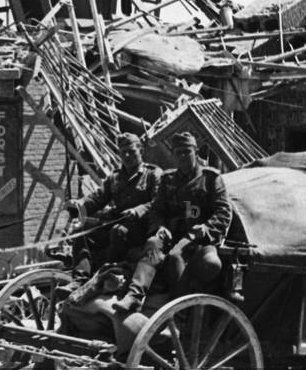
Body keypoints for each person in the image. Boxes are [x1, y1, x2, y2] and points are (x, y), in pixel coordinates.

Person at [113, 131, 233, 313]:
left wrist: (207, 228)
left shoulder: (211, 179)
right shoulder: (168, 179)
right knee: (153, 243)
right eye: (178, 153)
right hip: (172, 233)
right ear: (174, 155)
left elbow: (223, 211)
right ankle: (134, 296)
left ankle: (179, 312)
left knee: (176, 256)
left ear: (196, 152)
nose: (183, 156)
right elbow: (156, 209)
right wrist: (159, 227)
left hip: (199, 238)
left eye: (187, 151)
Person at [64, 133, 162, 276]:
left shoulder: (153, 174)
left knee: (118, 231)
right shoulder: (115, 177)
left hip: (142, 228)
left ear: (141, 151)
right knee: (82, 231)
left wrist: (138, 210)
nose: (127, 156)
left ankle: (111, 273)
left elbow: (158, 203)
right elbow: (98, 198)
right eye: (123, 152)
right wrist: (79, 204)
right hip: (117, 222)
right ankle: (80, 276)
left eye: (131, 152)